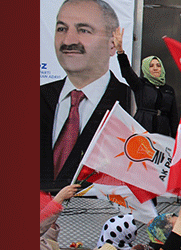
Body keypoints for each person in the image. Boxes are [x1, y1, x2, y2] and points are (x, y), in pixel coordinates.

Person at [41, 0, 134, 192]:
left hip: (96, 212)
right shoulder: (41, 97)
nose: (68, 41)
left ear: (112, 43)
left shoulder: (130, 101)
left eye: (84, 30)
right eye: (61, 29)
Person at [111, 28, 179, 136]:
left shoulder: (168, 90)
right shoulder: (141, 84)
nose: (155, 68)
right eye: (151, 66)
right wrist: (120, 51)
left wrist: (176, 139)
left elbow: (173, 117)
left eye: (158, 65)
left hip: (162, 131)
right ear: (146, 69)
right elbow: (127, 73)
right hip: (143, 127)